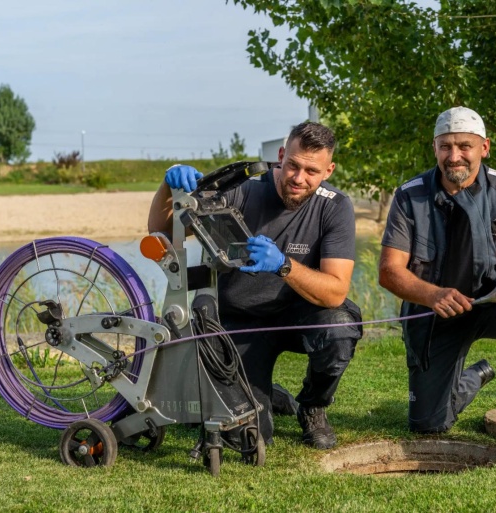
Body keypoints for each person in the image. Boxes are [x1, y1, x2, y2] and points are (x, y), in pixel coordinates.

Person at [148, 122, 362, 449]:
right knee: (251, 436)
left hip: (298, 317)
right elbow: (161, 232)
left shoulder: (334, 206)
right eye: (292, 165)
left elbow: (335, 291)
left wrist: (284, 266)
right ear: (280, 156)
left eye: (311, 170)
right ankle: (261, 390)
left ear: (328, 171)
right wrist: (168, 186)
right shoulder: (243, 188)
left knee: (341, 327)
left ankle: (314, 405)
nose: (298, 177)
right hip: (239, 320)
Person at [377, 106, 496, 461]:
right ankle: (475, 377)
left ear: (484, 148)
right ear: (434, 148)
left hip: (494, 300)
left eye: (464, 146)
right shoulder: (408, 196)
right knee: (428, 424)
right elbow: (389, 271)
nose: (455, 156)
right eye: (445, 146)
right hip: (434, 309)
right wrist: (432, 294)